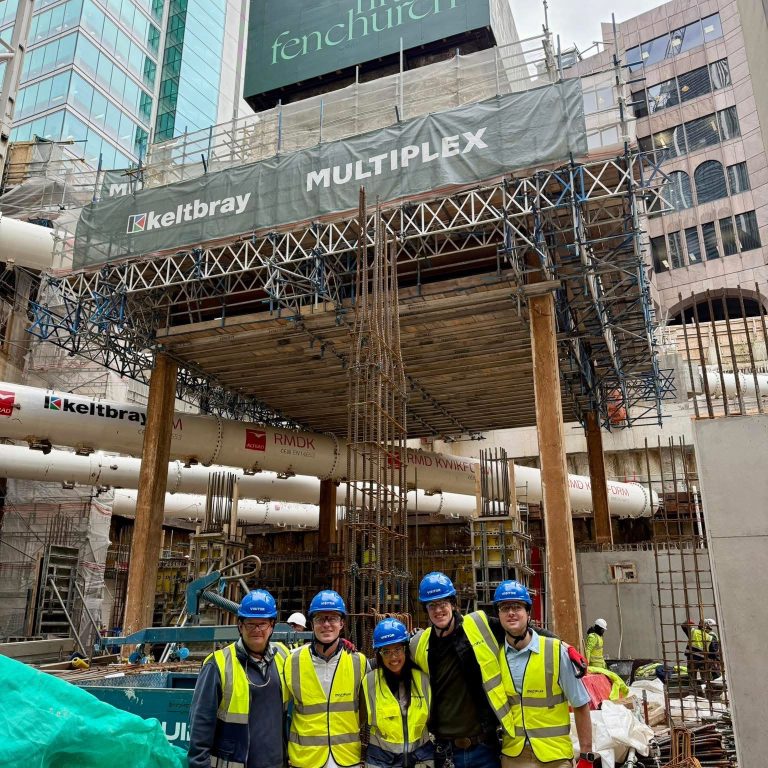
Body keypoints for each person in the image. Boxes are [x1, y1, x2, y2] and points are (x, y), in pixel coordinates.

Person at [410, 571, 511, 768]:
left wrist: (564, 648)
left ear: (453, 604)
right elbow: (390, 658)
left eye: (442, 604)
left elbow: (522, 631)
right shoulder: (418, 643)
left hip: (484, 747)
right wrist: (343, 646)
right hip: (445, 751)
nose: (438, 610)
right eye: (432, 605)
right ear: (426, 609)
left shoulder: (480, 624)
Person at [494, 580, 596, 768]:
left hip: (555, 757)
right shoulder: (495, 658)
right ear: (498, 615)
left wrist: (586, 754)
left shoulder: (555, 652)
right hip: (515, 756)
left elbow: (580, 704)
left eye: (517, 606)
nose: (511, 612)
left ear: (528, 613)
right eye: (504, 607)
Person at [188, 588, 288, 768]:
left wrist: (340, 644)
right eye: (251, 624)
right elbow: (201, 725)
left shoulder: (283, 656)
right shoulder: (218, 664)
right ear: (240, 625)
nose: (257, 630)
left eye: (263, 624)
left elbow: (311, 661)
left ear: (272, 625)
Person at [283, 589, 368, 768]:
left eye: (333, 618)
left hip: (346, 758)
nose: (327, 624)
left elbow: (366, 709)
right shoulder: (293, 661)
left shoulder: (358, 662)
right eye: (320, 619)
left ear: (342, 624)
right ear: (312, 624)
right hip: (306, 759)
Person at [362, 618, 434, 768]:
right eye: (386, 651)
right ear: (379, 654)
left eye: (397, 649)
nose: (393, 657)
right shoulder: (368, 682)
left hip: (420, 759)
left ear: (405, 649)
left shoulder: (422, 679)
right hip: (381, 761)